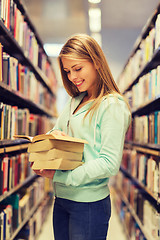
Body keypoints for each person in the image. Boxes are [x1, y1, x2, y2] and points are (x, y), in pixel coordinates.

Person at [34, 34, 131, 240]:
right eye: (68, 71)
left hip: (88, 205)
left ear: (96, 62)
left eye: (78, 69)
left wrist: (61, 176)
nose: (72, 77)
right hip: (61, 199)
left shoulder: (112, 105)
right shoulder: (75, 101)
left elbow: (109, 163)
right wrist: (54, 136)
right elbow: (56, 130)